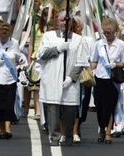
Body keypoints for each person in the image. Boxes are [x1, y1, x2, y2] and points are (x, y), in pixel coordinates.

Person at [37, 12, 89, 146]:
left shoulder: (79, 39)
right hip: (52, 77)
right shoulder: (48, 36)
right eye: (61, 20)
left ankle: (69, 136)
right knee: (53, 109)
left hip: (69, 81)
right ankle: (54, 137)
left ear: (71, 22)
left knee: (70, 111)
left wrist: (71, 78)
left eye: (67, 21)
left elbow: (81, 61)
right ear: (57, 21)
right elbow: (41, 55)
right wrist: (58, 48)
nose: (64, 23)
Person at [0, 22, 26, 139]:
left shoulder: (14, 43)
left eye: (6, 37)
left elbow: (18, 56)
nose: (3, 39)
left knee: (7, 105)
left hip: (9, 78)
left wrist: (22, 60)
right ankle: (1, 128)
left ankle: (7, 128)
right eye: (1, 36)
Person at [91, 18, 124, 144]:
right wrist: (89, 71)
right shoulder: (98, 44)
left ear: (114, 32)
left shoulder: (121, 45)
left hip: (112, 80)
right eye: (104, 32)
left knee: (110, 106)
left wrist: (115, 65)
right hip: (99, 77)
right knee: (99, 105)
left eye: (109, 32)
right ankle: (101, 127)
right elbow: (94, 61)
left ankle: (107, 132)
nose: (106, 35)